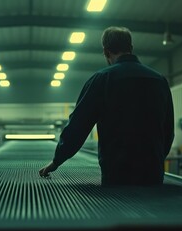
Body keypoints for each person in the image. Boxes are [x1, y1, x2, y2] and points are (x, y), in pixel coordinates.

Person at [39, 26, 175, 186]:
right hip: (153, 172)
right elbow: (168, 129)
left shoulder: (102, 80)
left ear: (106, 51)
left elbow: (78, 126)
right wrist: (156, 159)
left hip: (117, 172)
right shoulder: (158, 80)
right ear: (131, 48)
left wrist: (57, 161)